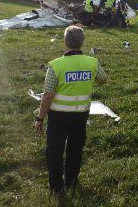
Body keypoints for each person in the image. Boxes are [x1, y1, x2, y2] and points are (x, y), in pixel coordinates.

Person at [34, 26, 107, 194]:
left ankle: (56, 187)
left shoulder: (56, 65)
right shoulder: (92, 62)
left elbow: (47, 96)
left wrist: (39, 118)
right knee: (75, 149)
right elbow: (103, 80)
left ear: (65, 42)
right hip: (80, 116)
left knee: (54, 151)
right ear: (82, 43)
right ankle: (72, 181)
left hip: (58, 117)